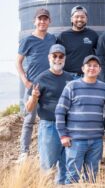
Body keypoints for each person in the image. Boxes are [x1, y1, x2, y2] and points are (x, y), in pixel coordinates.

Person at [55, 55, 105, 184]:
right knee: (72, 177)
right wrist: (63, 135)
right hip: (75, 141)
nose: (92, 68)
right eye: (89, 65)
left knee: (92, 177)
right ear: (82, 68)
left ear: (99, 69)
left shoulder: (104, 88)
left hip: (96, 141)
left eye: (95, 66)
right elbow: (60, 111)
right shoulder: (72, 86)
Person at [25, 44, 72, 184]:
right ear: (49, 57)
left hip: (69, 128)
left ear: (65, 58)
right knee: (48, 168)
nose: (57, 59)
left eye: (61, 56)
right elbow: (28, 108)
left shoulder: (70, 78)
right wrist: (34, 97)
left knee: (66, 167)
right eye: (54, 56)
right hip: (49, 128)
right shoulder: (41, 78)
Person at [16, 8, 56, 160]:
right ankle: (24, 153)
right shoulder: (27, 40)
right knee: (29, 120)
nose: (42, 21)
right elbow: (18, 62)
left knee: (49, 120)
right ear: (35, 21)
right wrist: (25, 81)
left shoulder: (52, 39)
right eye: (40, 19)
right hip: (34, 86)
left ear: (49, 21)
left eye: (45, 19)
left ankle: (46, 151)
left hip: (50, 87)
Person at [57, 5, 98, 79]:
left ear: (86, 19)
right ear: (71, 19)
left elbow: (101, 54)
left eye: (82, 17)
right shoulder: (63, 36)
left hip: (88, 77)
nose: (79, 19)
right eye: (76, 17)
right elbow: (57, 57)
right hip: (68, 77)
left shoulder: (93, 35)